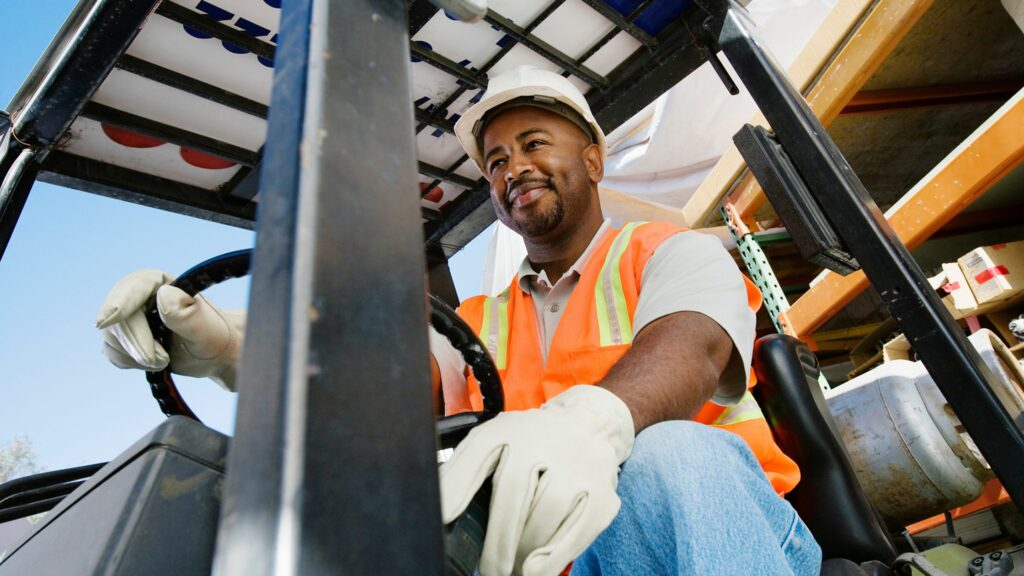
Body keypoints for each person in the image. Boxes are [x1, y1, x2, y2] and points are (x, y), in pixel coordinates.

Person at [97, 66, 821, 576]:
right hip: (555, 562)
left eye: (535, 144)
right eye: (497, 160)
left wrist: (591, 424)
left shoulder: (672, 251)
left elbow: (691, 346)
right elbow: (367, 379)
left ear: (595, 159)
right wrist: (225, 342)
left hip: (724, 536)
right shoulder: (474, 323)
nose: (513, 169)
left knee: (669, 459)